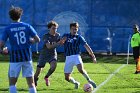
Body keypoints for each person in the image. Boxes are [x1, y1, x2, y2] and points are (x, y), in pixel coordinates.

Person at [0, 6, 40, 93]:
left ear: (10, 17)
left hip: (15, 59)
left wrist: (3, 49)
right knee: (31, 84)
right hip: (27, 58)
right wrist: (30, 41)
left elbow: (1, 44)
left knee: (12, 84)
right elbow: (37, 39)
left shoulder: (8, 28)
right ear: (20, 16)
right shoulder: (27, 26)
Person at [62, 22, 97, 89]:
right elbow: (60, 43)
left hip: (76, 56)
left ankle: (89, 80)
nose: (74, 30)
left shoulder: (79, 37)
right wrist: (62, 41)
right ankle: (76, 83)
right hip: (68, 57)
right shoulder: (65, 35)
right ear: (70, 29)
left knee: (80, 69)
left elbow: (86, 46)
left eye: (76, 29)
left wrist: (93, 56)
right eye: (73, 29)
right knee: (67, 78)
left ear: (77, 29)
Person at [34, 21, 64, 86]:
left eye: (56, 28)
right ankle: (35, 79)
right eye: (53, 28)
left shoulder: (58, 35)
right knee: (38, 71)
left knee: (53, 66)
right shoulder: (46, 36)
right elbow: (49, 46)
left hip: (52, 54)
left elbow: (60, 43)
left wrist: (62, 42)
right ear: (49, 28)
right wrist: (58, 43)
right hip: (44, 55)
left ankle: (46, 77)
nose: (55, 30)